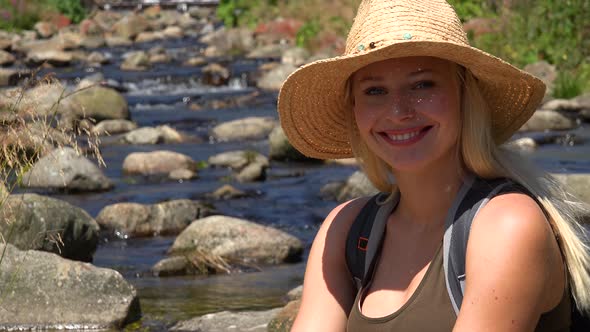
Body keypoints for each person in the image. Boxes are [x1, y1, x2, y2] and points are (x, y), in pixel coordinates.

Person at [277, 0, 590, 331]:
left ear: (464, 94)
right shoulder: (346, 231)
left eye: (422, 84)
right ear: (354, 109)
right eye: (374, 90)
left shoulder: (506, 226)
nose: (398, 111)